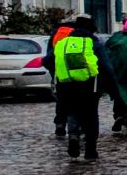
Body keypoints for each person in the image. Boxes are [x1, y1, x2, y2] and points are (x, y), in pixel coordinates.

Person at [45, 16, 105, 160]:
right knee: (91, 115)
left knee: (72, 110)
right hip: (89, 85)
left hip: (66, 84)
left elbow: (46, 60)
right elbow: (105, 65)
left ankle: (73, 136)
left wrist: (58, 73)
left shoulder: (63, 42)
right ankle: (90, 151)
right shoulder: (93, 42)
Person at [48, 17, 78, 138]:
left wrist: (53, 72)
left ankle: (60, 123)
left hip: (60, 71)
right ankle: (76, 125)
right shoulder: (77, 33)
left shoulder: (56, 34)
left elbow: (49, 55)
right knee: (77, 100)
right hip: (77, 71)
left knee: (61, 99)